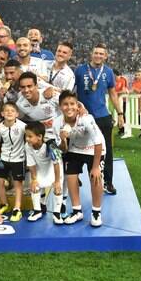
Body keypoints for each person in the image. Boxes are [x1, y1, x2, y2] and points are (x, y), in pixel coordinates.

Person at [74, 43, 124, 195]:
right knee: (75, 148)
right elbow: (73, 91)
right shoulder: (80, 70)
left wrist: (120, 114)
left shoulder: (108, 72)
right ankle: (74, 176)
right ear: (92, 54)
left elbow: (113, 94)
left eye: (101, 54)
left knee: (106, 150)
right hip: (83, 116)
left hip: (102, 116)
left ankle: (108, 181)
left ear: (106, 56)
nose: (98, 56)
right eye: (96, 53)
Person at [53, 91, 105, 227]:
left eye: (72, 104)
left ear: (77, 106)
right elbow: (62, 149)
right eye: (65, 104)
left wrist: (95, 167)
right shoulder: (57, 122)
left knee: (95, 177)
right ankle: (77, 211)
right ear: (60, 107)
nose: (69, 107)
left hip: (94, 149)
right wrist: (63, 139)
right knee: (70, 177)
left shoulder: (86, 118)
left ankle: (96, 212)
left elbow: (98, 142)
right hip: (74, 148)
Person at [24, 122, 64, 224]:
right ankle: (38, 211)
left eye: (30, 136)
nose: (27, 139)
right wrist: (34, 179)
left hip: (55, 169)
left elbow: (56, 163)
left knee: (57, 188)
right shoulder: (27, 146)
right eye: (26, 136)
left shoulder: (51, 145)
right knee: (34, 186)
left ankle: (57, 213)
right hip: (40, 169)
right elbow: (31, 164)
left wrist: (57, 181)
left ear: (39, 137)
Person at [0, 102, 27, 222]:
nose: (9, 112)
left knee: (18, 184)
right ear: (2, 114)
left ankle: (17, 209)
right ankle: (4, 204)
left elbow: (30, 137)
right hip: (3, 157)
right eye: (6, 110)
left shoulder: (23, 126)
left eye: (12, 110)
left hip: (19, 159)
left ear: (17, 114)